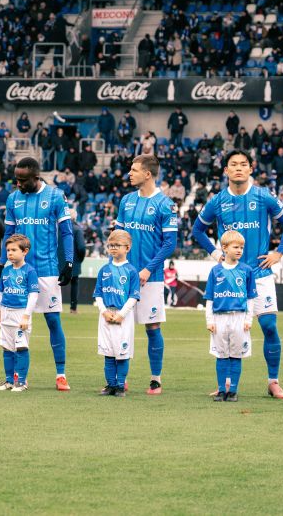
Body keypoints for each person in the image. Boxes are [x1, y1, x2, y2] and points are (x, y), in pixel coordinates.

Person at [191, 150, 283, 399]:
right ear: (226, 170)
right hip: (228, 276)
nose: (238, 168)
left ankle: (273, 381)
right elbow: (198, 230)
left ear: (251, 169)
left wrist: (278, 253)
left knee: (269, 326)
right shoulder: (217, 201)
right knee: (225, 329)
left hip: (260, 273)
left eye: (243, 164)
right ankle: (226, 384)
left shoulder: (263, 196)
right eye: (233, 165)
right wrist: (216, 254)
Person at [0, 156, 73, 391]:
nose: (18, 184)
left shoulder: (55, 196)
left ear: (36, 177)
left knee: (52, 321)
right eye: (16, 180)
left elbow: (67, 232)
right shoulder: (12, 199)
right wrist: (1, 266)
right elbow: (8, 235)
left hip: (47, 270)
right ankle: (17, 378)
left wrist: (68, 261)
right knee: (15, 325)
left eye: (23, 180)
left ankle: (60, 374)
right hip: (17, 271)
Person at [116, 154, 178, 395]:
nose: (129, 173)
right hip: (124, 276)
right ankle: (120, 379)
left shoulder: (165, 204)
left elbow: (169, 243)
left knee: (152, 327)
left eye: (134, 170)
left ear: (148, 174)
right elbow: (118, 237)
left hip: (150, 278)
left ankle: (155, 379)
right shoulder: (126, 201)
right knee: (121, 326)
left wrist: (148, 268)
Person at [205, 231, 257, 403]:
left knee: (236, 355)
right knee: (221, 355)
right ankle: (221, 390)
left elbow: (250, 298)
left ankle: (233, 390)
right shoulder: (215, 271)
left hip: (239, 318)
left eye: (242, 247)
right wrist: (209, 320)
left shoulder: (246, 271)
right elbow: (210, 299)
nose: (240, 250)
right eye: (236, 247)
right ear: (224, 248)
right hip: (219, 318)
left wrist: (249, 319)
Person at [94, 229, 140, 396]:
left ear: (127, 248)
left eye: (117, 245)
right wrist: (104, 311)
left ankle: (120, 385)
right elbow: (98, 294)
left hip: (123, 317)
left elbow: (133, 296)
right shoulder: (104, 270)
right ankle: (110, 384)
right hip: (106, 316)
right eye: (110, 245)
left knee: (122, 353)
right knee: (108, 352)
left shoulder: (131, 271)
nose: (113, 248)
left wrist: (122, 314)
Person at [0, 234, 39, 392]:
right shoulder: (5, 271)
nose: (10, 253)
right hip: (6, 313)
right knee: (7, 347)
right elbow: (0, 293)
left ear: (25, 251)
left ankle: (21, 381)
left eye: (14, 250)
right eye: (7, 250)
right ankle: (9, 381)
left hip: (21, 314)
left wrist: (26, 315)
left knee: (21, 347)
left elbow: (33, 295)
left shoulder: (30, 271)